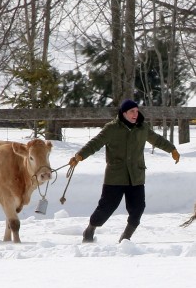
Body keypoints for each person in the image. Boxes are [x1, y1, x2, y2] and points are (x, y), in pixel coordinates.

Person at [69, 99, 180, 243]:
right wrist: (80, 155)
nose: (135, 114)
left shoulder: (142, 128)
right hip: (115, 176)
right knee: (106, 208)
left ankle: (125, 239)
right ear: (124, 113)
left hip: (136, 176)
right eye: (131, 111)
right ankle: (90, 230)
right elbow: (95, 143)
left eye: (136, 111)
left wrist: (171, 149)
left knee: (138, 208)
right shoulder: (112, 128)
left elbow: (157, 140)